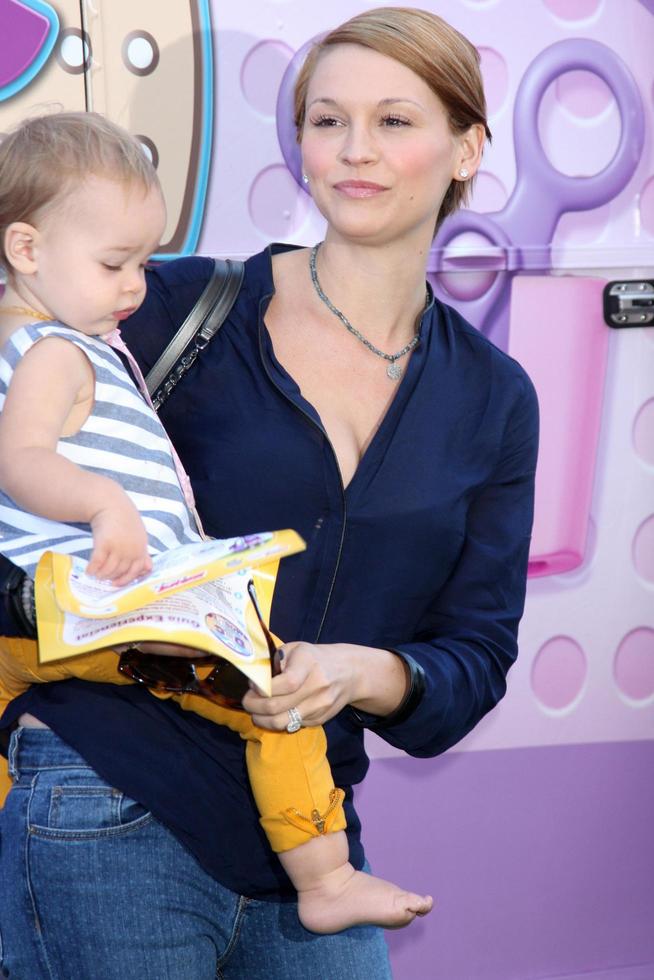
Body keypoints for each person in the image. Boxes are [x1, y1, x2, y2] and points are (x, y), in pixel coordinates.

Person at [0, 7, 538, 979]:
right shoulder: (162, 308)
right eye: (327, 121)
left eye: (394, 121)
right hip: (108, 792)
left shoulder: (493, 399)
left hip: (312, 835)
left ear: (467, 147)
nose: (354, 151)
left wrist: (357, 671)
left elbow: (474, 658)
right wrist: (60, 606)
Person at [0, 109, 432, 938]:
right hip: (100, 609)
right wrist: (104, 502)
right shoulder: (58, 350)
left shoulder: (45, 338)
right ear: (27, 250)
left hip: (57, 619)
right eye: (115, 263)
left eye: (146, 262)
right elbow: (20, 460)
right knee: (274, 698)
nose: (136, 285)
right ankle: (328, 876)